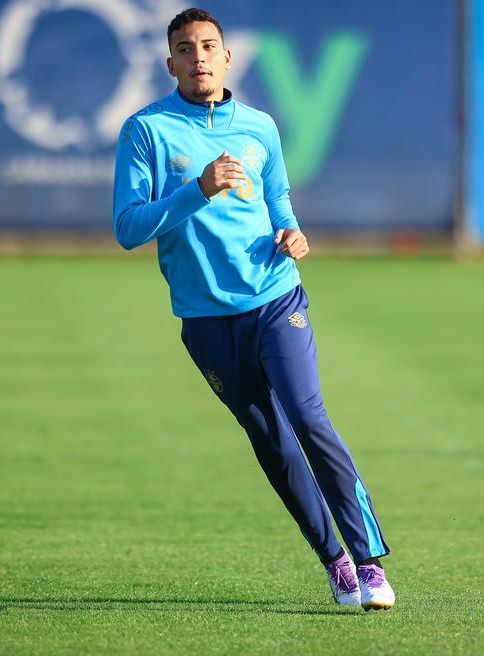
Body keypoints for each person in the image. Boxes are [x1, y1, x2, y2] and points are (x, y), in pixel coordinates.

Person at [112, 7, 394, 611]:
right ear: (170, 63)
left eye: (209, 46)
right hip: (207, 320)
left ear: (227, 57)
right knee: (272, 441)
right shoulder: (146, 131)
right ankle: (334, 562)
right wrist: (198, 189)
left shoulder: (260, 126)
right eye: (185, 49)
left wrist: (292, 231)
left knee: (309, 418)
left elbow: (277, 196)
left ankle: (369, 564)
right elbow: (128, 228)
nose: (199, 58)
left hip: (275, 297)